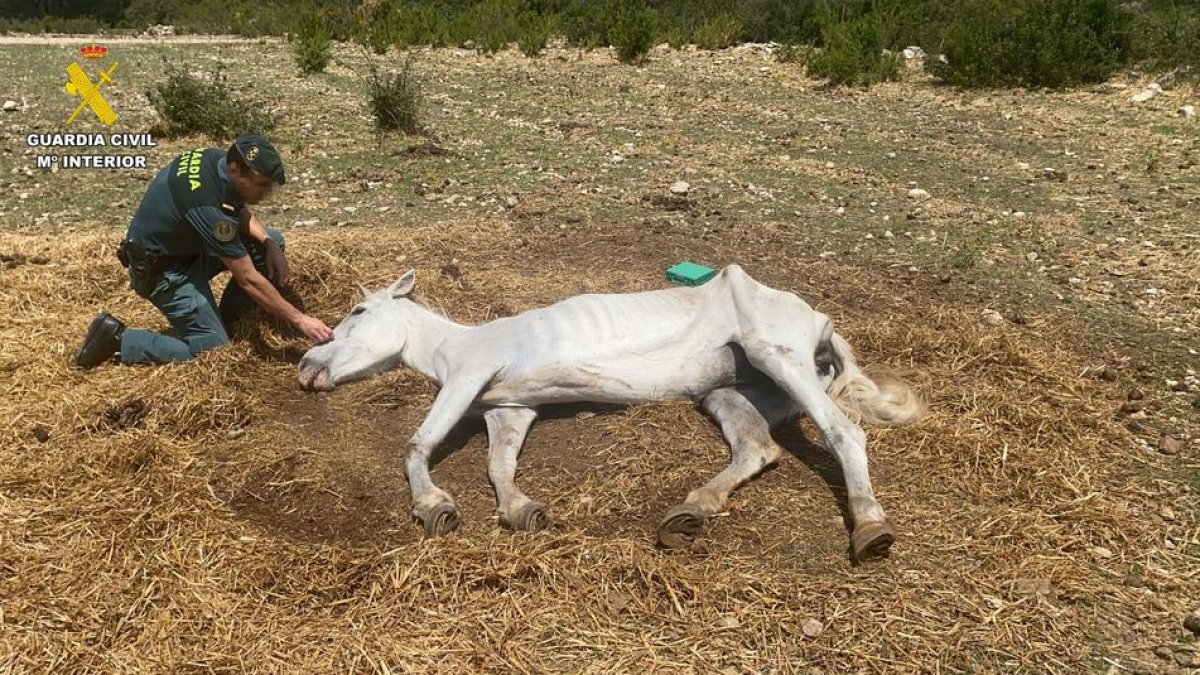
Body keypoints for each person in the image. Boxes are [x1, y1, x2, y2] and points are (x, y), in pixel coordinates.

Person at [74, 133, 334, 369]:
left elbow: (237, 209)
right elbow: (247, 279)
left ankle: (230, 319)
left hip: (187, 249)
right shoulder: (208, 211)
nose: (265, 194)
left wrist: (268, 243)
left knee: (272, 240)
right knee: (213, 351)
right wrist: (299, 320)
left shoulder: (216, 160)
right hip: (165, 273)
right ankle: (118, 339)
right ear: (236, 170)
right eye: (261, 185)